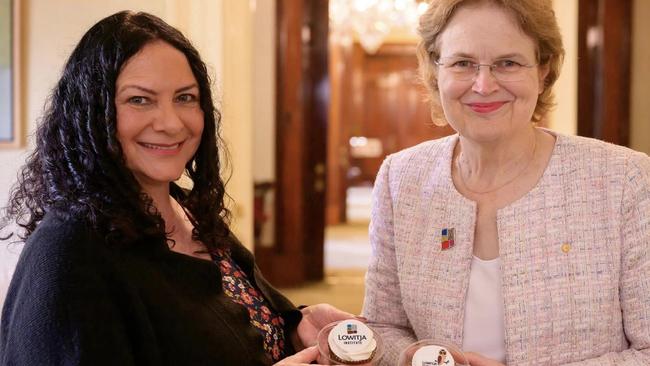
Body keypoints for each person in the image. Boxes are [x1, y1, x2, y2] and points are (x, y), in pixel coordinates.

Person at [0, 11, 352, 366]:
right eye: (139, 100)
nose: (170, 123)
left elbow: (237, 327)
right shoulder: (67, 257)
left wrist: (297, 325)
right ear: (92, 113)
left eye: (184, 98)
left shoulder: (186, 211)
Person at [361, 0, 650, 365]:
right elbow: (383, 327)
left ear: (543, 70)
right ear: (435, 70)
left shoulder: (625, 180)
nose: (483, 85)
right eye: (463, 63)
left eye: (508, 63)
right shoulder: (400, 178)